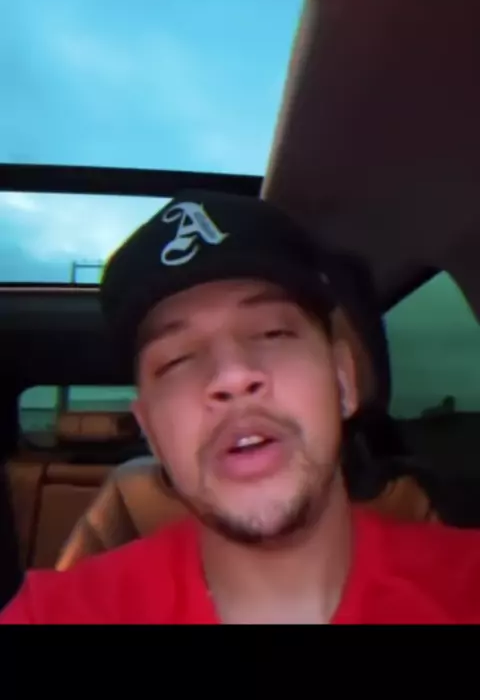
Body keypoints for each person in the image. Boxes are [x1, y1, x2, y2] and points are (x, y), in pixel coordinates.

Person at [2, 189, 480, 624]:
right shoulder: (55, 615)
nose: (231, 376)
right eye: (177, 360)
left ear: (343, 381)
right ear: (151, 431)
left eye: (273, 333)